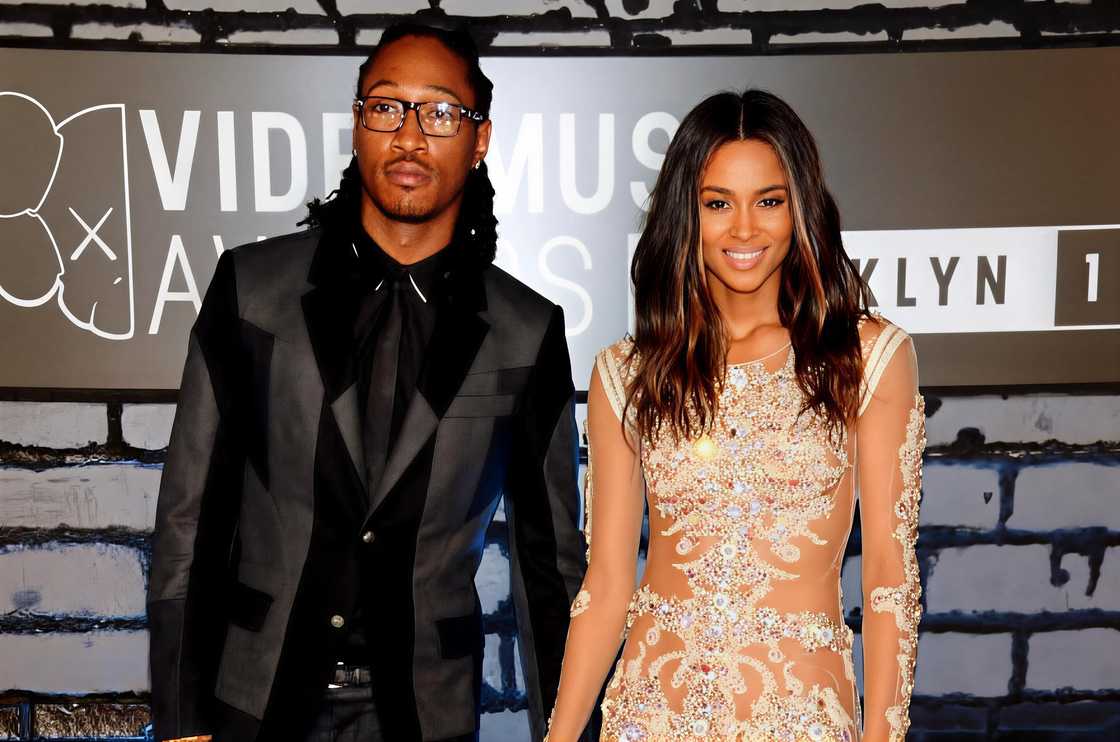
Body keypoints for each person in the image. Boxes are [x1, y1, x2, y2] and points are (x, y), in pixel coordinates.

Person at [148, 22, 588, 742]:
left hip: (426, 709)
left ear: (479, 141)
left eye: (440, 112)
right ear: (357, 124)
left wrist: (571, 731)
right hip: (255, 701)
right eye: (386, 107)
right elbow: (189, 519)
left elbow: (551, 568)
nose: (410, 137)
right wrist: (183, 716)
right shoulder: (253, 291)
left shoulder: (524, 331)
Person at [545, 89, 926, 742]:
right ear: (685, 215)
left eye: (769, 201)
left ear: (799, 206)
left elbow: (890, 581)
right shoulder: (628, 372)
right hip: (651, 715)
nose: (744, 230)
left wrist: (883, 736)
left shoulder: (867, 355)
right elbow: (606, 586)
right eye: (718, 203)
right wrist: (558, 737)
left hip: (799, 719)